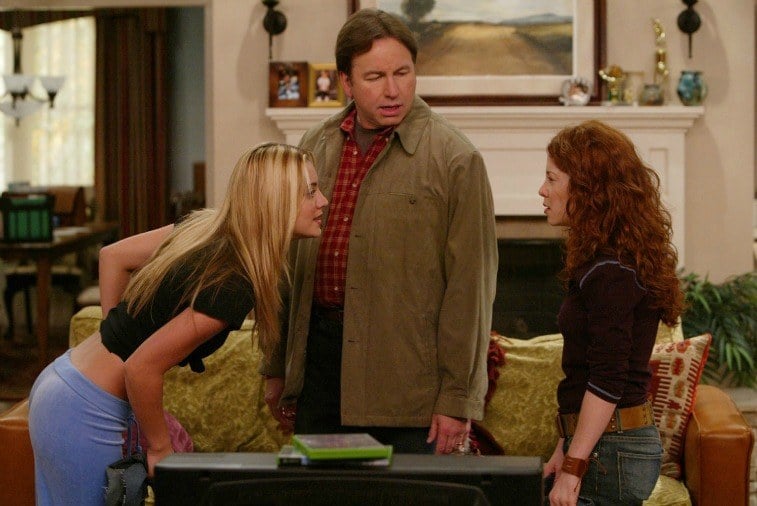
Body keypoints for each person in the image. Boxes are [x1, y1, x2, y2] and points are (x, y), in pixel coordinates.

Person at [27, 142, 328, 505]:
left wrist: (118, 339)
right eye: (310, 192)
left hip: (63, 380)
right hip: (85, 408)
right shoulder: (234, 281)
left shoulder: (206, 226)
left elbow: (113, 257)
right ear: (275, 200)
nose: (323, 201)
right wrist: (160, 447)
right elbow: (140, 367)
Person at [261, 8, 497, 455]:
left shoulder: (456, 159)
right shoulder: (313, 145)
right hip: (319, 372)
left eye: (402, 73)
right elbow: (286, 267)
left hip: (408, 383)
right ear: (346, 82)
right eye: (375, 77)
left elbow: (471, 290)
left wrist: (457, 400)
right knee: (319, 490)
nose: (393, 90)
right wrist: (277, 366)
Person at [539, 120, 684, 505]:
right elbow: (584, 372)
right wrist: (564, 447)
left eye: (552, 179)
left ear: (587, 190)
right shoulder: (605, 265)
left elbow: (608, 378)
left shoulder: (611, 273)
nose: (542, 190)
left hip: (613, 452)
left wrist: (574, 466)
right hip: (606, 446)